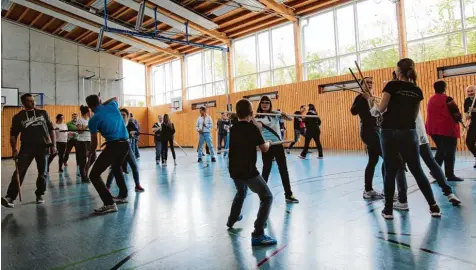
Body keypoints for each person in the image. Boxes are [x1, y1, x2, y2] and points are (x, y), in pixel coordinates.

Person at [365, 58, 441, 219]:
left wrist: (371, 103)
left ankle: (388, 210)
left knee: (391, 170)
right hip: (409, 132)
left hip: (390, 132)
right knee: (417, 170)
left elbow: (380, 110)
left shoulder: (391, 85)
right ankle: (433, 206)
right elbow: (412, 115)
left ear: (398, 71)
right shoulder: (417, 90)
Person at [227, 99, 276, 246]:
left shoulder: (233, 128)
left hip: (234, 170)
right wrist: (269, 142)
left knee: (241, 191)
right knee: (267, 197)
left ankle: (232, 218)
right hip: (248, 171)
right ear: (252, 113)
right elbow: (264, 148)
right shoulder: (252, 128)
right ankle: (258, 233)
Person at [1, 93, 56, 208]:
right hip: (27, 148)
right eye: (30, 101)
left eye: (33, 100)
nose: (33, 102)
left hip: (43, 147)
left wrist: (54, 145)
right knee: (19, 172)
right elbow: (13, 135)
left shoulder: (43, 113)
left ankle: (40, 194)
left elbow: (52, 130)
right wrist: (14, 149)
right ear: (24, 102)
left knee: (43, 173)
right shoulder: (18, 117)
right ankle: (10, 197)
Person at [86, 95, 129, 214]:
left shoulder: (93, 119)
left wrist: (89, 152)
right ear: (99, 101)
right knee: (116, 167)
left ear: (89, 106)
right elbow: (115, 97)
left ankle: (109, 203)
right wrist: (102, 103)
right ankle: (123, 195)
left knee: (94, 175)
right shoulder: (112, 106)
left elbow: (94, 144)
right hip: (126, 145)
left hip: (114, 147)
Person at [255, 96, 299, 203]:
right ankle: (263, 195)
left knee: (283, 169)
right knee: (266, 170)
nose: (265, 104)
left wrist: (284, 115)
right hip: (267, 146)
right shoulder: (257, 117)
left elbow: (290, 119)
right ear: (260, 104)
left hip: (278, 145)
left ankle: (288, 194)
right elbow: (258, 129)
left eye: (267, 103)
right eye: (263, 103)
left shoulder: (275, 114)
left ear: (270, 104)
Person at [426, 80, 464, 181]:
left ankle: (435, 171)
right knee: (449, 152)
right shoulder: (448, 99)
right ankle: (449, 174)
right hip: (447, 129)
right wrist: (461, 119)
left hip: (433, 130)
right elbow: (456, 113)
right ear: (444, 88)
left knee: (442, 149)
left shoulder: (431, 99)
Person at [106, 108, 144, 193]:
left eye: (124, 115)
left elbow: (137, 132)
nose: (122, 116)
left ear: (127, 116)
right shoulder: (116, 124)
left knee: (134, 166)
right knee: (114, 168)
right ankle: (107, 187)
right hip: (117, 148)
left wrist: (134, 132)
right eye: (120, 115)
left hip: (127, 147)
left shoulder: (130, 123)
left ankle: (137, 185)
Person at [76, 105, 95, 183]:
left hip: (89, 141)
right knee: (83, 160)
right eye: (90, 111)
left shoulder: (90, 120)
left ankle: (84, 170)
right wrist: (87, 126)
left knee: (93, 157)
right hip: (82, 141)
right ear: (87, 112)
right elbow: (80, 131)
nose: (91, 112)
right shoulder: (79, 120)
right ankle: (83, 177)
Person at [464, 85, 476, 168]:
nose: (470, 93)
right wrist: (467, 116)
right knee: (469, 142)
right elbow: (466, 113)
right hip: (474, 123)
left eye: (472, 91)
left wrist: (475, 110)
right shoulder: (467, 100)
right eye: (468, 91)